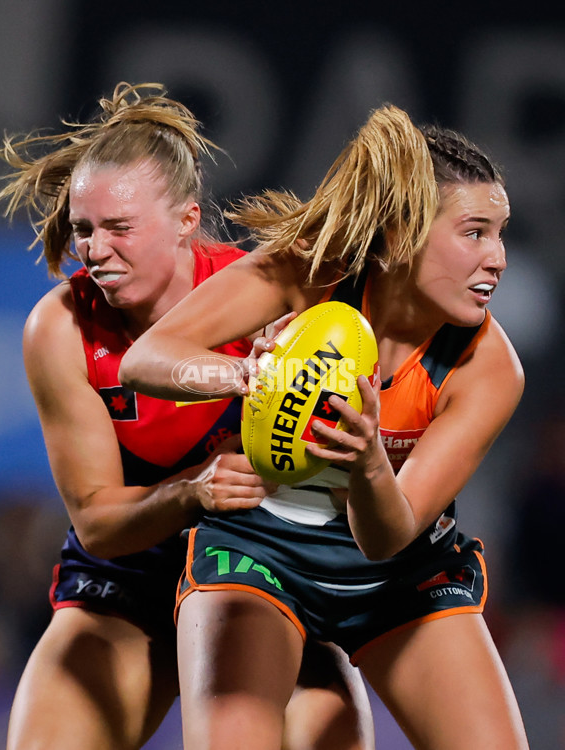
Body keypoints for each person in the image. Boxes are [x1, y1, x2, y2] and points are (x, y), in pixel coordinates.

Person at [119, 104, 531, 749]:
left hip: (401, 572)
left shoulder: (489, 368)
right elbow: (145, 361)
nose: (498, 257)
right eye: (475, 232)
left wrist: (367, 461)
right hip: (260, 550)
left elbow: (387, 537)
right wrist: (249, 379)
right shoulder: (309, 272)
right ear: (398, 235)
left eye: (501, 233)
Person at [0, 82, 374, 750]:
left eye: (120, 228)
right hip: (129, 578)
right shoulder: (59, 326)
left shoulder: (273, 298)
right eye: (84, 230)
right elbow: (100, 522)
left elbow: (348, 473)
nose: (96, 251)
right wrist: (194, 492)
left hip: (264, 569)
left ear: (188, 221)